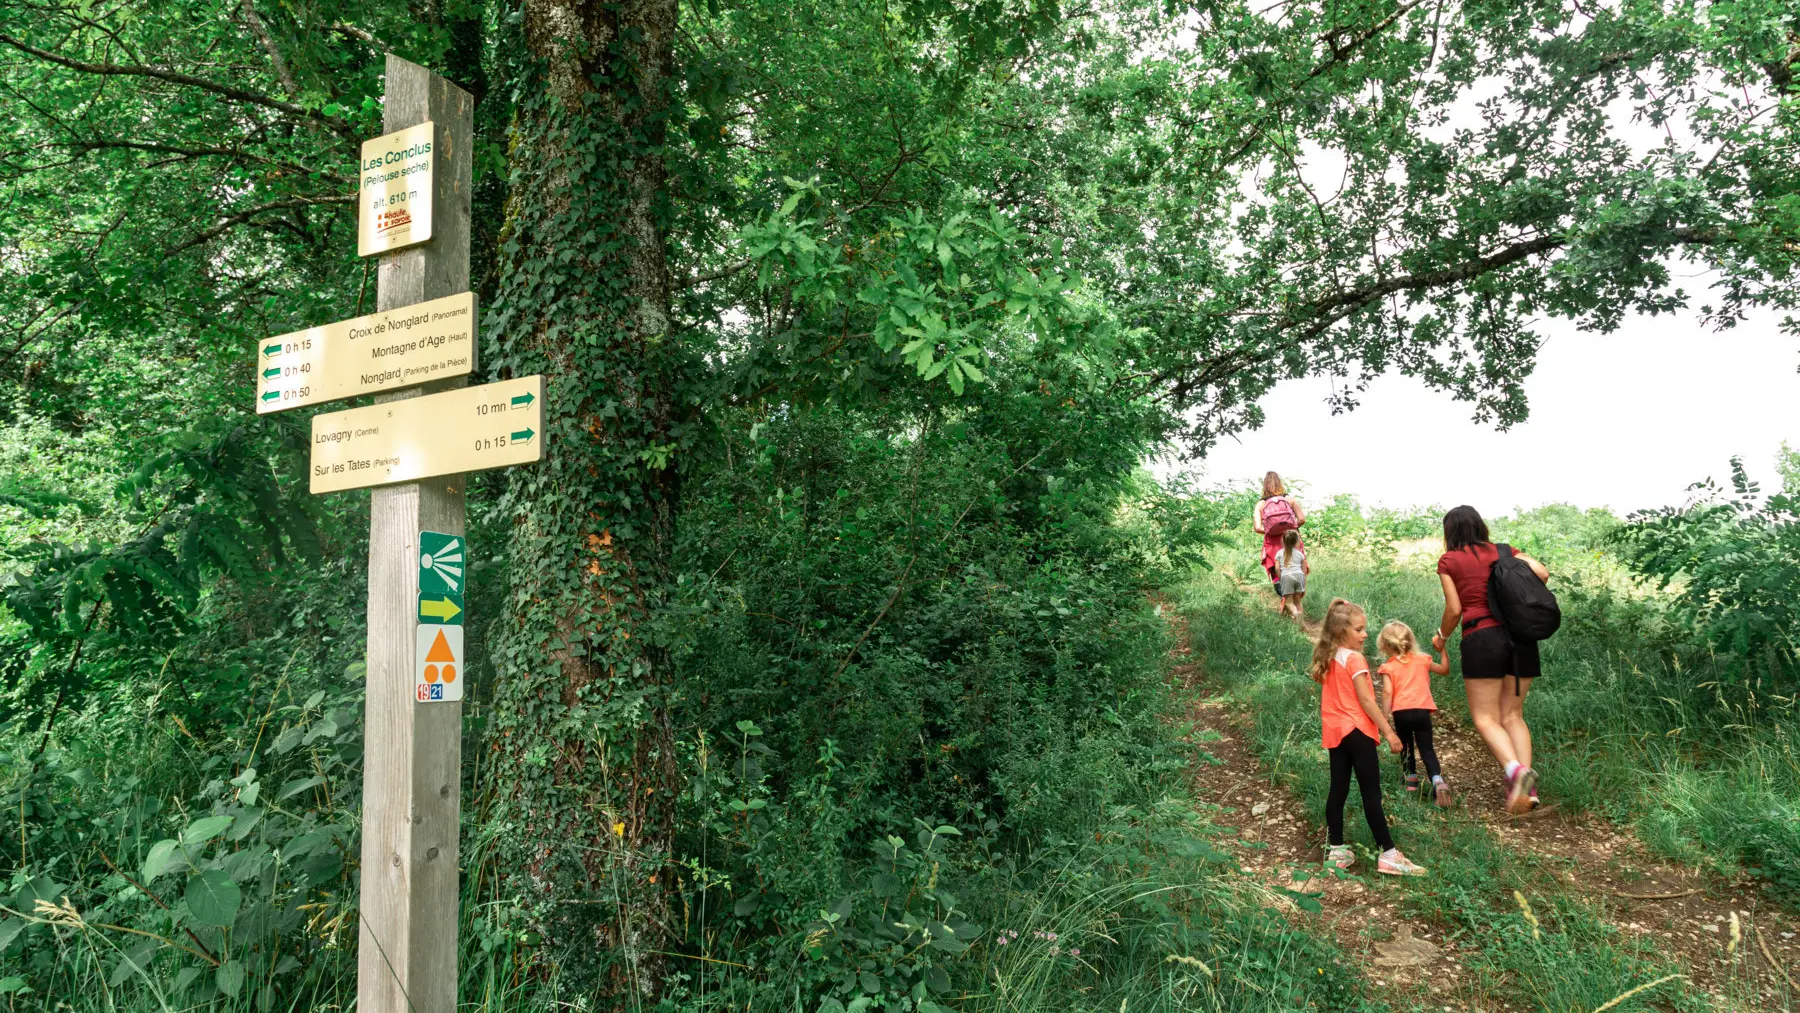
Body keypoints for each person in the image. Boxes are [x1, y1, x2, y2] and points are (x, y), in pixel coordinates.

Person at [1431, 505, 1550, 815]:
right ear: (1480, 526)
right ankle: (1527, 791)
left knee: (1485, 718)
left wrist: (1441, 638)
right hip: (1520, 639)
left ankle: (1516, 771)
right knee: (1513, 715)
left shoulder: (1449, 561)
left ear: (1450, 532)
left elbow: (1454, 609)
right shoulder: (1505, 550)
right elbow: (1543, 573)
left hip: (1482, 638)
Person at [1309, 598, 1427, 876]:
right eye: (1359, 630)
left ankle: (1336, 851)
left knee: (1338, 790)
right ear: (1341, 631)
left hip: (1336, 733)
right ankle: (1388, 854)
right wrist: (1389, 732)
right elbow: (1366, 699)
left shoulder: (1328, 656)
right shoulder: (1354, 658)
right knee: (1371, 793)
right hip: (1359, 732)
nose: (1365, 635)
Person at [1376, 620, 1453, 807]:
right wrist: (1442, 650)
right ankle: (1437, 781)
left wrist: (1383, 719)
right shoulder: (1423, 660)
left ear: (1385, 645)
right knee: (1427, 748)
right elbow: (1444, 670)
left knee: (1406, 746)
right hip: (1422, 711)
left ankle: (1411, 780)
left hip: (1401, 713)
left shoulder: (1388, 667)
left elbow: (1387, 693)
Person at [1253, 472, 1306, 607]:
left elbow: (1258, 528)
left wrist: (1272, 531)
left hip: (1272, 544)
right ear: (1280, 483)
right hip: (1292, 541)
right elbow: (1302, 519)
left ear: (1264, 485)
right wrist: (1290, 529)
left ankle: (1284, 598)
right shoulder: (1290, 499)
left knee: (1277, 572)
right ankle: (1295, 604)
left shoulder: (1261, 504)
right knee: (1297, 567)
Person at [1275, 529, 1308, 618]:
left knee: (1289, 601)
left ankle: (1296, 614)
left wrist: (1281, 579)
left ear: (1283, 541)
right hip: (1299, 576)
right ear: (1297, 541)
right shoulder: (1300, 554)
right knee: (1297, 601)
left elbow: (1277, 568)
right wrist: (1304, 585)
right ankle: (1302, 624)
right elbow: (1304, 571)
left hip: (1286, 576)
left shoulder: (1279, 553)